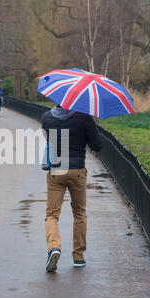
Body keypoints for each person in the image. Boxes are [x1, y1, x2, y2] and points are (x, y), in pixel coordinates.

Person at [41, 105, 102, 273]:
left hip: (56, 170)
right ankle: (78, 256)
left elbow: (49, 140)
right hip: (77, 171)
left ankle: (54, 246)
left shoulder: (47, 117)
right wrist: (91, 126)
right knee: (80, 213)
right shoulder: (84, 117)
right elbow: (97, 145)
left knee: (52, 215)